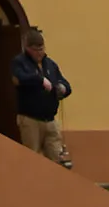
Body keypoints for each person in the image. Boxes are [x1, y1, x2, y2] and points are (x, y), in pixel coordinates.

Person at [11, 26, 73, 166]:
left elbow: (64, 82)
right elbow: (20, 77)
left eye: (41, 49)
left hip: (50, 120)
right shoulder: (19, 63)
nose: (39, 53)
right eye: (35, 50)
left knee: (56, 157)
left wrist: (63, 88)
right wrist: (40, 80)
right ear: (27, 48)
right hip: (30, 119)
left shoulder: (50, 64)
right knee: (32, 158)